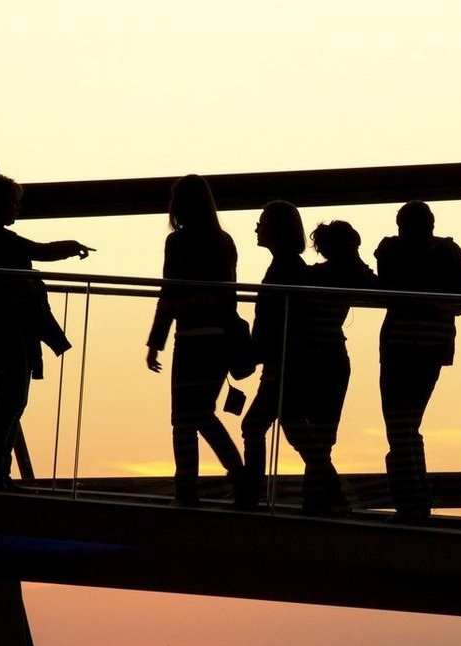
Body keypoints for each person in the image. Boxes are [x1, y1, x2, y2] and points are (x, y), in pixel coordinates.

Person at [0, 174, 94, 491]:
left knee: (11, 401)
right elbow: (40, 251)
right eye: (14, 201)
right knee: (12, 402)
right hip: (6, 329)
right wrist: (71, 246)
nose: (18, 207)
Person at [145, 174, 248, 507]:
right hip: (218, 339)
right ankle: (237, 475)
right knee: (202, 413)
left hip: (189, 340)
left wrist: (155, 340)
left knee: (184, 420)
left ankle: (187, 489)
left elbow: (168, 290)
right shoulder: (224, 240)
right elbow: (228, 293)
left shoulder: (177, 242)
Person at [374, 201, 461, 523]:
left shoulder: (391, 251)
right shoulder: (449, 253)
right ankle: (417, 499)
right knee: (408, 425)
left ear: (401, 225)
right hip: (433, 345)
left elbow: (386, 289)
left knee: (398, 425)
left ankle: (410, 503)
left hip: (399, 345)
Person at [283, 220, 378, 515]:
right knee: (322, 437)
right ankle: (324, 500)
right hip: (334, 358)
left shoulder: (313, 275)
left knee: (294, 421)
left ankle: (324, 499)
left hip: (310, 358)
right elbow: (375, 284)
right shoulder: (355, 275)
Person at [237, 201, 310, 510]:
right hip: (285, 363)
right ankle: (330, 489)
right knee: (294, 428)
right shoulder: (288, 266)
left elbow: (274, 321)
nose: (257, 227)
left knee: (253, 426)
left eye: (262, 222)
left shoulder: (285, 268)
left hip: (283, 365)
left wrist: (253, 353)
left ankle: (251, 495)